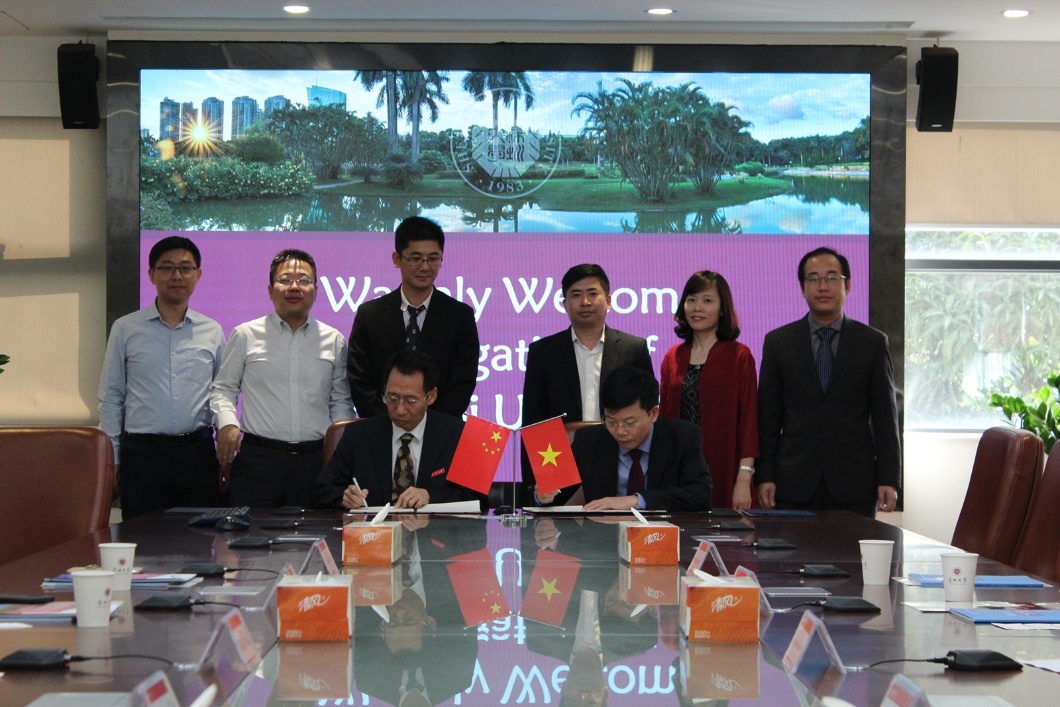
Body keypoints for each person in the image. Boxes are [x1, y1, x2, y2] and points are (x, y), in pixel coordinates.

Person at [757, 247, 901, 518]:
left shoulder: (872, 343)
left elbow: (885, 417)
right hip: (793, 482)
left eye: (832, 278)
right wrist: (765, 475)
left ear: (847, 285)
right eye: (813, 279)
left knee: (853, 548)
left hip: (854, 483)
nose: (822, 286)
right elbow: (768, 418)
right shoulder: (778, 342)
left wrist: (889, 478)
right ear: (802, 288)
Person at [210, 248, 355, 508]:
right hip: (258, 461)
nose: (294, 287)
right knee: (251, 533)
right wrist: (227, 424)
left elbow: (341, 401)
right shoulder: (245, 335)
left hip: (315, 462)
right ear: (270, 290)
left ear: (316, 290)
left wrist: (339, 453)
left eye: (303, 280)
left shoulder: (334, 340)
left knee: (315, 532)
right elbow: (223, 389)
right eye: (285, 280)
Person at [98, 236, 225, 519]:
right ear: (151, 274)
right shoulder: (125, 328)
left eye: (185, 268)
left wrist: (224, 451)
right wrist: (112, 457)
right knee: (142, 536)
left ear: (198, 275)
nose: (177, 276)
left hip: (198, 454)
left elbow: (222, 394)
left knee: (199, 538)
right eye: (167, 268)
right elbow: (110, 397)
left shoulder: (212, 330)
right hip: (142, 456)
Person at [521, 264, 654, 484]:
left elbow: (647, 410)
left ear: (608, 300)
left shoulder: (634, 348)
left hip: (620, 457)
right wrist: (534, 484)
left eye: (593, 293)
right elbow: (534, 420)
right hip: (559, 459)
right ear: (564, 304)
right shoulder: (543, 352)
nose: (585, 302)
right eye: (576, 295)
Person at [347, 215, 479, 418]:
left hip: (439, 431)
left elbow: (463, 383)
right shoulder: (370, 315)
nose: (425, 267)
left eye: (433, 259)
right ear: (397, 259)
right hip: (380, 429)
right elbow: (359, 381)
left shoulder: (460, 316)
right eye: (415, 258)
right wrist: (391, 424)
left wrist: (426, 427)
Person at [311, 350, 476, 510]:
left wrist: (430, 496)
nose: (400, 409)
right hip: (374, 529)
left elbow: (477, 496)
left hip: (435, 529)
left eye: (411, 401)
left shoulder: (458, 434)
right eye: (392, 398)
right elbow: (321, 490)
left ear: (431, 396)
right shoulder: (358, 435)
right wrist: (343, 497)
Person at [537, 365, 712, 512]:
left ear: (653, 414)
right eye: (611, 421)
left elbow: (700, 495)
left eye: (630, 423)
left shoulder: (682, 437)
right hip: (604, 536)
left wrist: (636, 500)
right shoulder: (589, 441)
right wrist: (542, 496)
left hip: (664, 535)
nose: (620, 431)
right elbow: (556, 495)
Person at [659, 271, 759, 511]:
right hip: (678, 470)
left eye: (707, 300)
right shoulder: (673, 356)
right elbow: (663, 421)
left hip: (724, 467)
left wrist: (744, 479)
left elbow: (749, 421)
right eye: (691, 299)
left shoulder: (739, 356)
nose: (697, 308)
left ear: (722, 309)